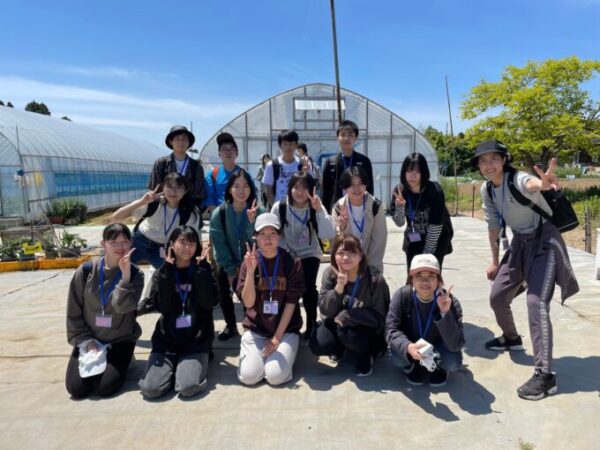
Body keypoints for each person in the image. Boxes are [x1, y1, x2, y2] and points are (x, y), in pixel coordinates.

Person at [473, 139, 579, 400]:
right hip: (519, 245)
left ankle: (545, 375)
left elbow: (530, 184)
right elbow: (493, 226)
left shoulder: (516, 179)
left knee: (536, 303)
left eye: (494, 158)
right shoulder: (487, 190)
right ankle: (511, 338)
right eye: (483, 160)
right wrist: (494, 261)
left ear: (504, 160)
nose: (488, 165)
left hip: (544, 243)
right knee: (498, 297)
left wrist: (543, 184)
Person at [138, 226, 217, 399]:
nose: (187, 247)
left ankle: (194, 362)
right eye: (182, 242)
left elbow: (209, 302)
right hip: (167, 341)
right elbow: (162, 307)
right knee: (151, 389)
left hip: (196, 341)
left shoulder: (203, 269)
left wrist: (201, 270)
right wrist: (166, 273)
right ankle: (174, 366)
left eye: (192, 243)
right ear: (172, 244)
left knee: (188, 387)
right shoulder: (163, 272)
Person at [65, 223, 143, 398]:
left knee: (105, 387)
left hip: (120, 339)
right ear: (103, 244)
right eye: (113, 242)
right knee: (76, 389)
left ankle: (125, 358)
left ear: (131, 243)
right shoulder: (86, 271)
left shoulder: (136, 274)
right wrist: (85, 341)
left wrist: (125, 277)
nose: (120, 247)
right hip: (90, 340)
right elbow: (73, 311)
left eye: (124, 242)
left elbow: (122, 307)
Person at [236, 213, 305, 386]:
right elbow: (248, 303)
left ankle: (279, 356)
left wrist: (276, 339)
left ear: (280, 236)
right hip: (256, 329)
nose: (268, 239)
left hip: (285, 330)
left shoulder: (291, 261)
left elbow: (291, 302)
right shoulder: (249, 261)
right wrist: (250, 271)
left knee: (275, 376)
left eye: (273, 233)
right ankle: (259, 359)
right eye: (263, 234)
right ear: (255, 237)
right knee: (249, 377)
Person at [309, 234, 390, 377]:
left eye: (352, 253)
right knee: (318, 343)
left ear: (361, 255)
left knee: (351, 335)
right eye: (340, 253)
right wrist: (338, 289)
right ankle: (339, 349)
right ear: (334, 255)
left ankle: (366, 356)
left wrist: (350, 315)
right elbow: (325, 310)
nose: (345, 257)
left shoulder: (375, 279)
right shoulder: (330, 274)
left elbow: (381, 318)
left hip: (364, 329)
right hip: (337, 324)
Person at [272, 171, 336, 339]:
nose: (300, 192)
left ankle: (311, 323)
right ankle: (291, 323)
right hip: (287, 252)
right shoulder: (280, 207)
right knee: (288, 288)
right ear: (289, 189)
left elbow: (328, 233)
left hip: (310, 253)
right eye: (296, 187)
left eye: (304, 187)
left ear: (312, 189)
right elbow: (273, 233)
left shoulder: (316, 206)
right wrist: (286, 252)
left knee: (308, 288)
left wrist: (319, 210)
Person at [386, 254, 464, 387]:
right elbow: (391, 329)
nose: (425, 282)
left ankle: (439, 368)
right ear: (411, 279)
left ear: (439, 280)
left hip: (438, 348)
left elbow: (456, 345)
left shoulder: (450, 301)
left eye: (431, 276)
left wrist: (445, 313)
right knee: (396, 356)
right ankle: (411, 366)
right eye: (419, 276)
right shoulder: (402, 296)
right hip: (411, 345)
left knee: (453, 362)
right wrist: (408, 347)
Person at [210, 169, 264, 341]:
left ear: (251, 189)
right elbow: (219, 244)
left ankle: (253, 322)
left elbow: (261, 243)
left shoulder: (259, 211)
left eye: (246, 186)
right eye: (236, 186)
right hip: (228, 261)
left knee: (253, 293)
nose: (241, 190)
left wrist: (251, 223)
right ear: (229, 189)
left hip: (252, 261)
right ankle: (231, 325)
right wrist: (231, 269)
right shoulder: (220, 213)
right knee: (223, 290)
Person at [111, 173, 201, 270]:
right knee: (119, 270)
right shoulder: (154, 202)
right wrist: (142, 201)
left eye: (178, 187)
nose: (173, 191)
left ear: (185, 190)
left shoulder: (191, 212)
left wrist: (197, 259)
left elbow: (195, 237)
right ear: (163, 189)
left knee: (170, 273)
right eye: (169, 187)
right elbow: (116, 216)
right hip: (138, 242)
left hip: (161, 249)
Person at [392, 153, 453, 271]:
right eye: (409, 171)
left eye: (417, 171)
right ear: (404, 172)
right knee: (413, 273)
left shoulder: (434, 190)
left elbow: (436, 225)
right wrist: (399, 207)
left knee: (430, 273)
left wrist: (426, 256)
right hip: (414, 236)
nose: (413, 175)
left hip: (436, 237)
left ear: (424, 172)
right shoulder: (400, 191)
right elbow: (399, 223)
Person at [331, 166, 387, 273]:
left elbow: (379, 240)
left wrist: (371, 270)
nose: (357, 189)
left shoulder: (375, 206)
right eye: (352, 185)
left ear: (366, 184)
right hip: (346, 264)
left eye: (360, 184)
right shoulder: (338, 208)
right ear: (345, 188)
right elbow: (335, 243)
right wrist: (342, 228)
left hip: (370, 264)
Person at [321, 120, 374, 213]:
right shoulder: (330, 162)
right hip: (337, 209)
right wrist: (325, 213)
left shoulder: (364, 161)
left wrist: (369, 210)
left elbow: (369, 189)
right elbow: (325, 192)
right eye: (342, 135)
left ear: (356, 138)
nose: (346, 138)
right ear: (337, 138)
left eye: (350, 135)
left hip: (359, 209)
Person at [148, 125, 207, 205]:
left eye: (184, 139)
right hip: (164, 207)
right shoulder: (161, 163)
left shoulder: (196, 166)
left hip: (188, 208)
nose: (181, 142)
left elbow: (199, 193)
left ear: (189, 142)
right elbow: (154, 189)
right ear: (171, 141)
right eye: (177, 139)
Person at [203, 132, 251, 212]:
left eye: (232, 149)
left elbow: (251, 199)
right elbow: (210, 202)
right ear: (219, 153)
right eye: (224, 149)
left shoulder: (246, 175)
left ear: (237, 153)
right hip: (220, 216)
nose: (228, 152)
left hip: (243, 216)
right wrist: (220, 217)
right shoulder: (212, 175)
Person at [261, 130, 302, 207]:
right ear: (280, 145)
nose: (288, 147)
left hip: (298, 209)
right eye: (285, 144)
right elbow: (269, 192)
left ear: (296, 145)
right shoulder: (271, 165)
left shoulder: (302, 164)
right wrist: (277, 209)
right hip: (279, 208)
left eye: (291, 144)